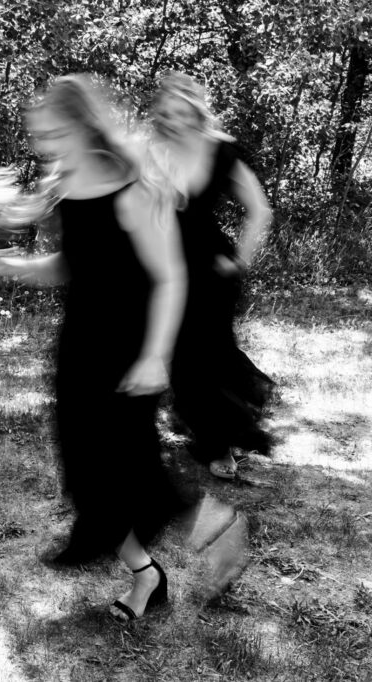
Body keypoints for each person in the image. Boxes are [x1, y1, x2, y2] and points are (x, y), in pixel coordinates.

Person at [0, 75, 189, 620]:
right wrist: (14, 267)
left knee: (126, 471)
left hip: (129, 343)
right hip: (80, 342)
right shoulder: (65, 186)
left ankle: (164, 564)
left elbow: (170, 276)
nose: (44, 144)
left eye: (51, 132)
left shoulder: (132, 186)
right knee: (86, 467)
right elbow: (72, 266)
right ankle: (149, 570)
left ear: (79, 124)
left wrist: (155, 356)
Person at [151, 72, 274, 480]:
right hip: (165, 265)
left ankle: (220, 444)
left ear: (196, 111)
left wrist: (240, 258)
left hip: (212, 269)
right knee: (178, 356)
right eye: (167, 112)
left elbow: (258, 209)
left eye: (182, 112)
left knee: (211, 353)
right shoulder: (153, 150)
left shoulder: (221, 151)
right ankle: (203, 427)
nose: (175, 120)